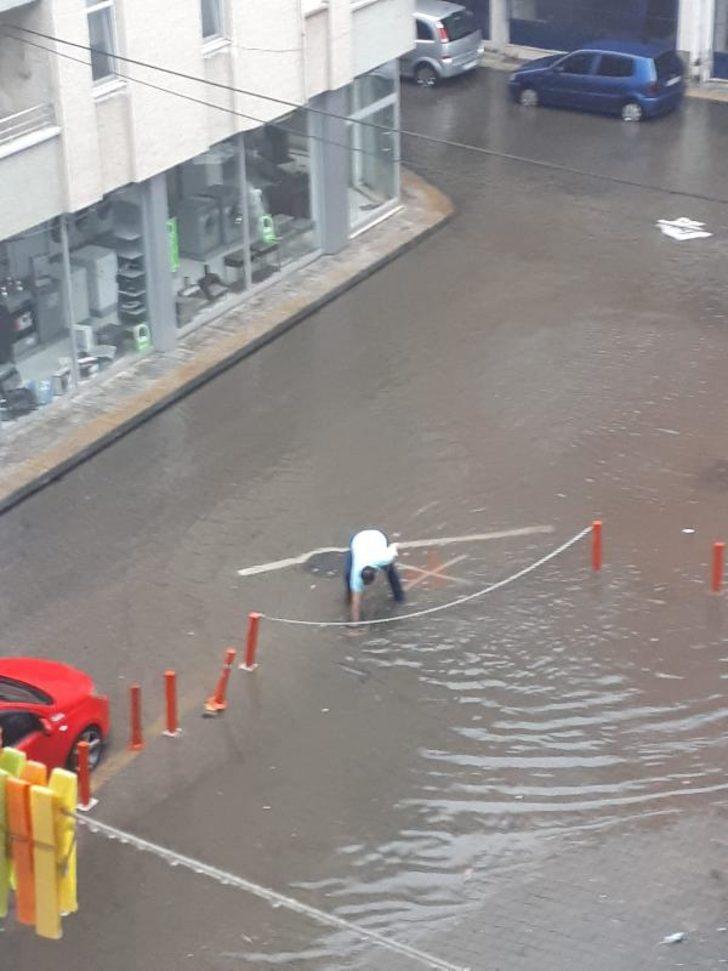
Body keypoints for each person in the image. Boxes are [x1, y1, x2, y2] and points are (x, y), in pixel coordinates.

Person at [345, 529, 405, 623]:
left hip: (377, 538)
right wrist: (355, 625)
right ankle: (349, 597)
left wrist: (394, 550)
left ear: (376, 572)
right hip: (358, 540)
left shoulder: (385, 558)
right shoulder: (356, 573)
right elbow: (356, 604)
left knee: (391, 572)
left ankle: (399, 597)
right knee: (348, 575)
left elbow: (394, 546)